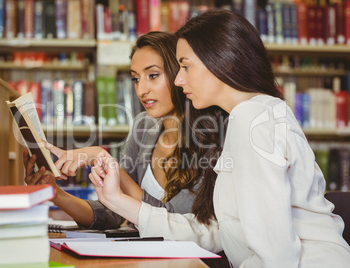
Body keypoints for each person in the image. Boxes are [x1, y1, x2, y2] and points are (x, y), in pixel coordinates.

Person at [89, 10, 350, 267]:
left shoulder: (254, 120)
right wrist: (116, 199)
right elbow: (215, 230)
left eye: (186, 66)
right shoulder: (245, 118)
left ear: (221, 61)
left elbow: (275, 257)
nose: (179, 80)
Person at [24, 31, 224, 232]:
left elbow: (173, 222)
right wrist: (55, 193)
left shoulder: (211, 137)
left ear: (179, 74)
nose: (141, 90)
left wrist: (105, 160)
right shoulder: (143, 126)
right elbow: (113, 212)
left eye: (153, 75)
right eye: (135, 79)